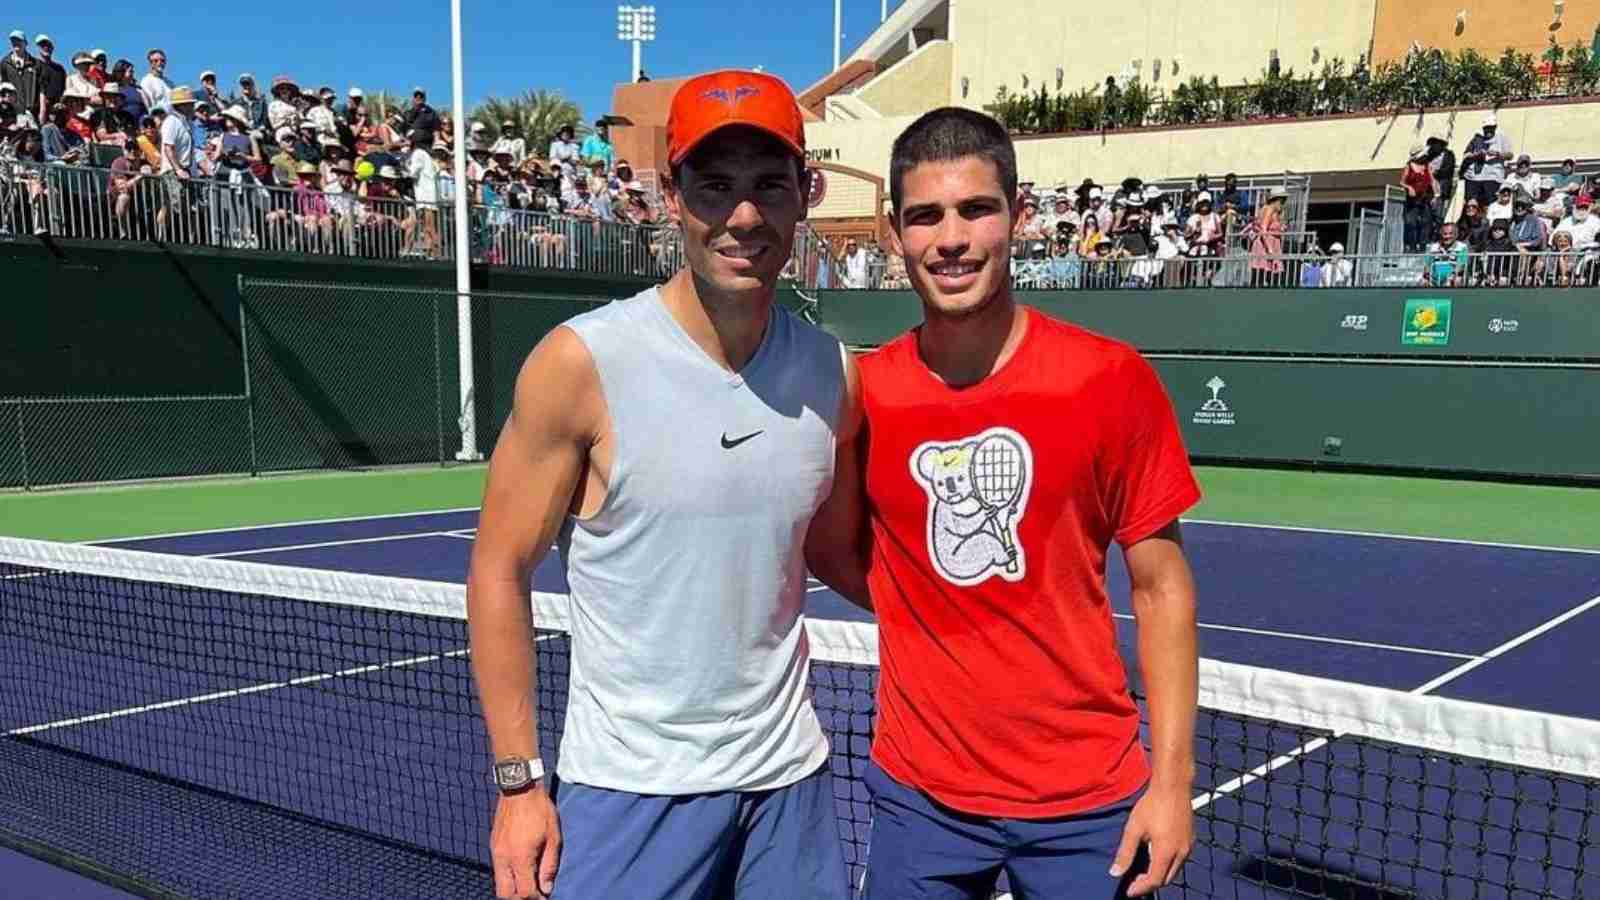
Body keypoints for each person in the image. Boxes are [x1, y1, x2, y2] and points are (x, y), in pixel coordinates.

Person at [466, 69, 855, 900]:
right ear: (672, 196)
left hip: (790, 784)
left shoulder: (830, 371)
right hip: (628, 790)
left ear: (804, 196)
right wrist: (518, 784)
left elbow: (835, 549)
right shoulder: (581, 362)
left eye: (768, 186)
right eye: (715, 187)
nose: (743, 216)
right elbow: (499, 570)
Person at [805, 106, 1199, 900]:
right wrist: (930, 604)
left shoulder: (1109, 378)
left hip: (1088, 803)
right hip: (920, 800)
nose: (951, 238)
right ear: (894, 234)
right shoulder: (864, 391)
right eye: (925, 216)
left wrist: (1172, 784)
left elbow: (1161, 587)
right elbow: (833, 550)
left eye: (976, 209)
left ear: (1017, 217)